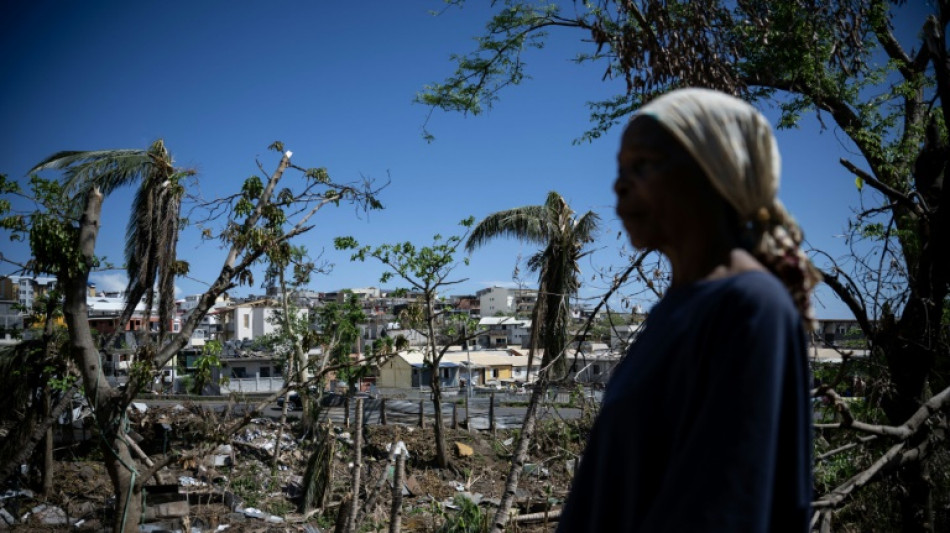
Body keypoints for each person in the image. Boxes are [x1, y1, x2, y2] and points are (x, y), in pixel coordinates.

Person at [556, 88, 819, 532]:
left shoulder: (749, 307)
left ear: (713, 173)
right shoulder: (675, 312)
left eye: (643, 165)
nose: (619, 184)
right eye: (620, 169)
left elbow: (723, 507)